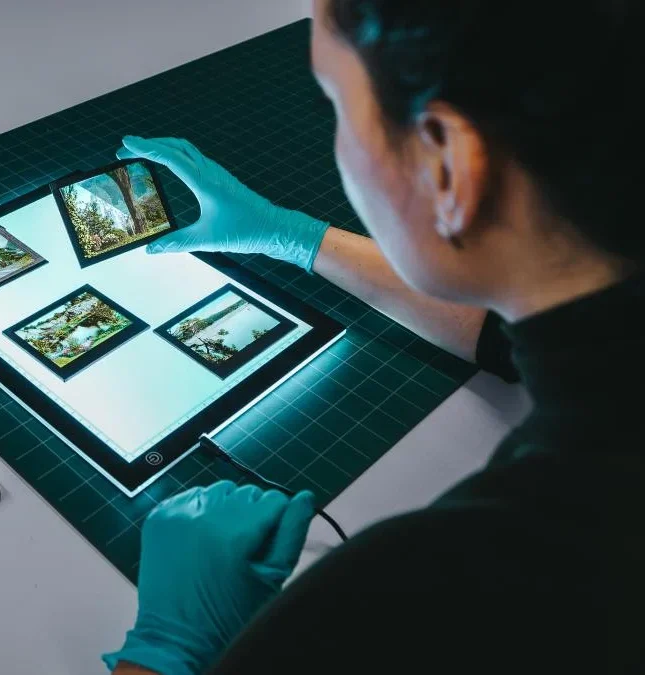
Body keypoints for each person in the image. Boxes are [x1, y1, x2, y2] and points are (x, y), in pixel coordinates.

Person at [102, 0, 644, 673]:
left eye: (333, 104)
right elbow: (512, 328)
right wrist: (291, 236)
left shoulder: (429, 592)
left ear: (446, 163)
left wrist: (164, 650)